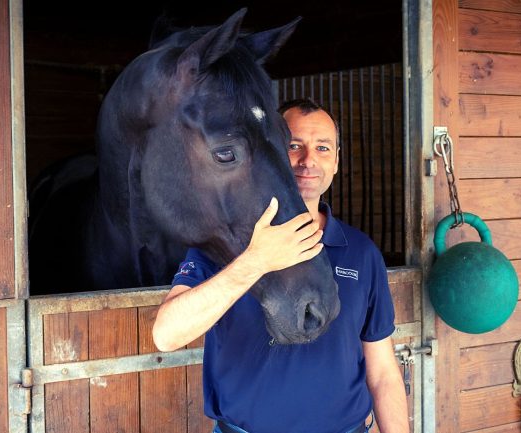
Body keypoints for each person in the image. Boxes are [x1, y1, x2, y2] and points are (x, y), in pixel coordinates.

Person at [152, 98, 409, 433]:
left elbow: (383, 373)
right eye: (293, 146)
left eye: (322, 148)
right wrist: (255, 260)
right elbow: (166, 335)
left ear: (336, 162)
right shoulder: (221, 243)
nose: (308, 160)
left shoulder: (361, 253)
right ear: (270, 154)